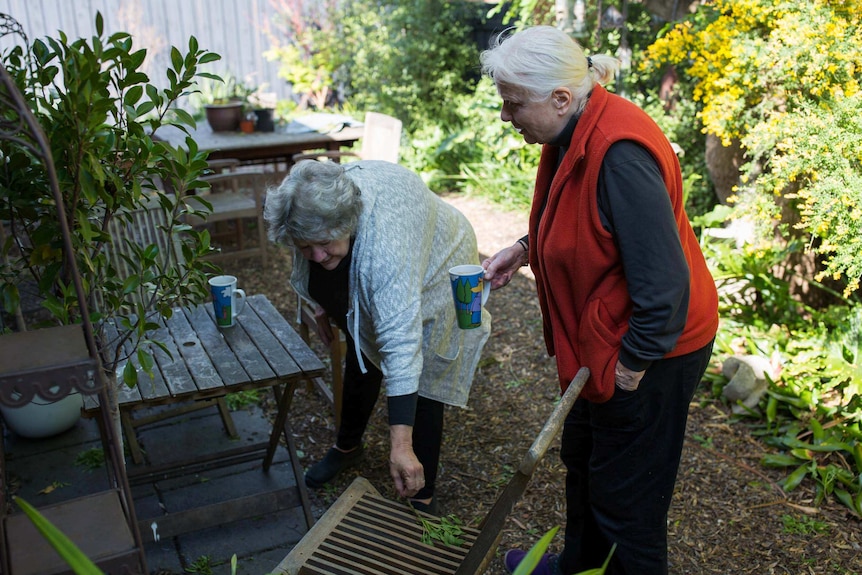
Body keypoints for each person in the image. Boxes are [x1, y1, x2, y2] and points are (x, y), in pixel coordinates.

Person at [479, 26, 719, 575]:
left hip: (653, 349)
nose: (505, 116)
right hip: (603, 343)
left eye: (513, 105)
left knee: (626, 502)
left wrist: (630, 370)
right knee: (585, 461)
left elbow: (664, 287)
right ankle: (577, 567)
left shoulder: (620, 155)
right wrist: (525, 248)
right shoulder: (572, 128)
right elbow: (590, 227)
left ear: (560, 98)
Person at [264, 159, 491, 513]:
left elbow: (401, 346)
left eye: (323, 243)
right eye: (305, 247)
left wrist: (399, 444)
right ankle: (348, 446)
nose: (316, 256)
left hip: (438, 258)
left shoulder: (386, 245)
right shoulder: (316, 209)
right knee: (360, 354)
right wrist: (320, 304)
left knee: (424, 374)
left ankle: (422, 492)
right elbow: (313, 254)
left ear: (347, 223)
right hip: (382, 250)